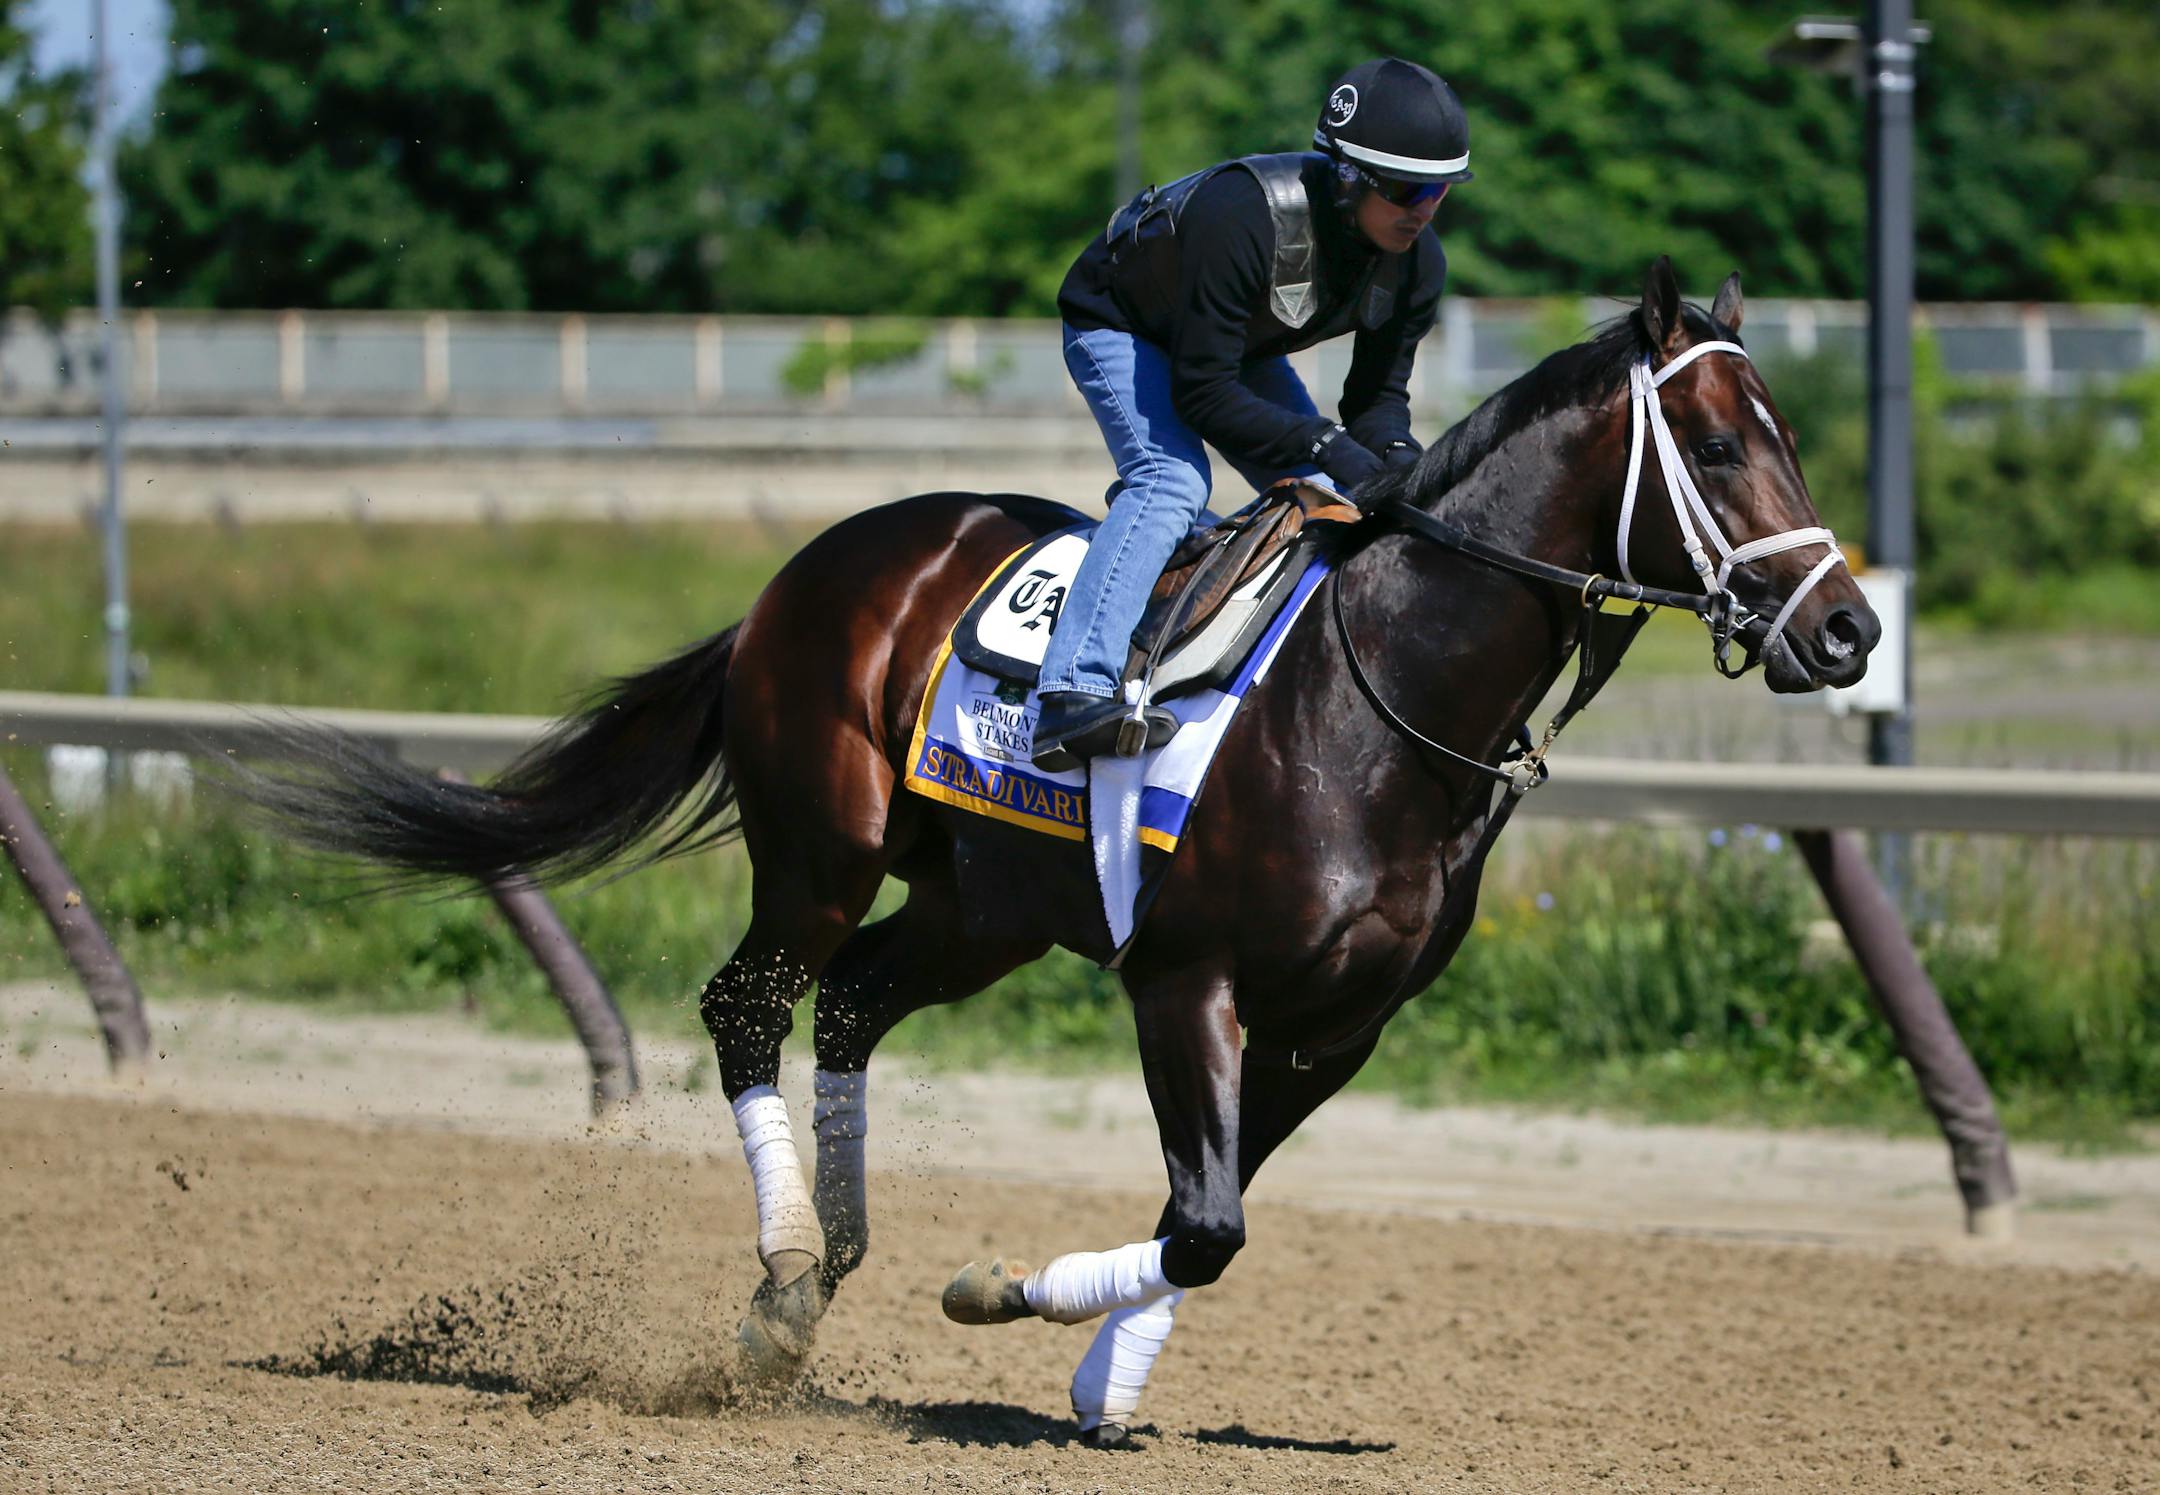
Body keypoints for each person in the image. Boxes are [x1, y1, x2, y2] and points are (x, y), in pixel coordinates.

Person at [1030, 56, 1472, 771]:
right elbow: (1202, 396)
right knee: (1172, 481)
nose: (1423, 209)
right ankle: (1069, 691)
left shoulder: (1419, 262)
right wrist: (1327, 441)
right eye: (1407, 189)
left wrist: (1400, 469)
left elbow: (1376, 403)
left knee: (1329, 498)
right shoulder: (1240, 214)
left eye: (1440, 190)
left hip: (1231, 342)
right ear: (1350, 177)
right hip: (1122, 322)